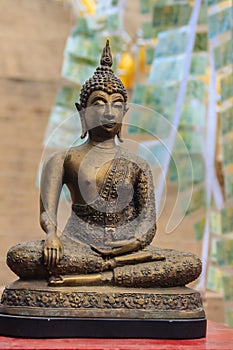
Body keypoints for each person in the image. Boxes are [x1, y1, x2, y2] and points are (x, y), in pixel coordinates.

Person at [7, 41, 201, 287]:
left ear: (125, 112)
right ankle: (113, 275)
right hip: (77, 245)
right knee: (21, 256)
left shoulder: (137, 163)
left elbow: (147, 220)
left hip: (128, 253)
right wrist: (51, 236)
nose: (109, 112)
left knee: (188, 263)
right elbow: (48, 212)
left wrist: (135, 243)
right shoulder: (63, 159)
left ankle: (104, 275)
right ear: (82, 112)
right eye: (99, 103)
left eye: (117, 104)